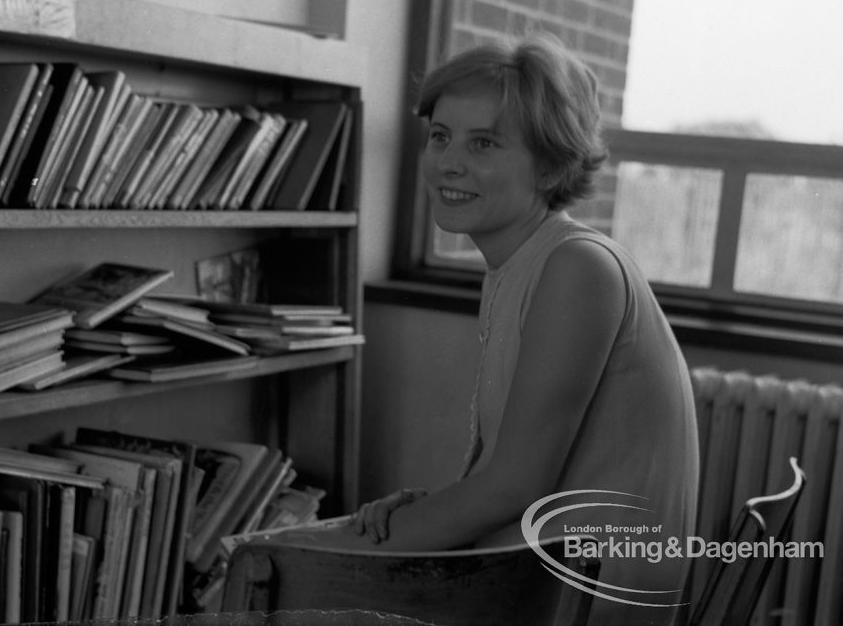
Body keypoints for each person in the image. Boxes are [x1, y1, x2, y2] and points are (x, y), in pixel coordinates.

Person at [275, 34, 700, 626]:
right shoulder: (521, 262)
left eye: (484, 144)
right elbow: (506, 477)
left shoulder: (577, 268)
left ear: (551, 165)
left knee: (276, 574)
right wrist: (424, 514)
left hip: (584, 597)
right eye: (441, 136)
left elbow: (516, 487)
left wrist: (351, 550)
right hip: (542, 570)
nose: (449, 162)